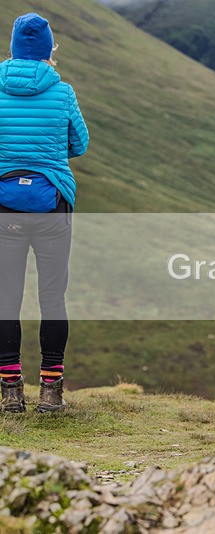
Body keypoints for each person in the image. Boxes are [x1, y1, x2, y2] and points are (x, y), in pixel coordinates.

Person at [0, 13, 89, 412]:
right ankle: (51, 392)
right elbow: (79, 144)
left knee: (5, 298)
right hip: (52, 203)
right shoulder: (63, 92)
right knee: (53, 297)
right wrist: (48, 154)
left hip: (4, 207)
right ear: (48, 48)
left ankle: (10, 392)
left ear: (14, 47)